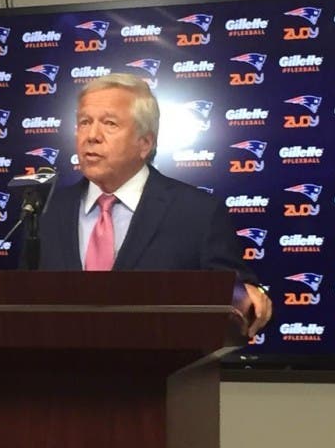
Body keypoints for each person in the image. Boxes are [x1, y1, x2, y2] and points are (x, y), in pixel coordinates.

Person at [38, 72, 272, 336]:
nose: (92, 135)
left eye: (110, 123)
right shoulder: (46, 211)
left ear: (145, 143)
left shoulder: (197, 213)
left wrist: (248, 294)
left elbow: (238, 297)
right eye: (84, 122)